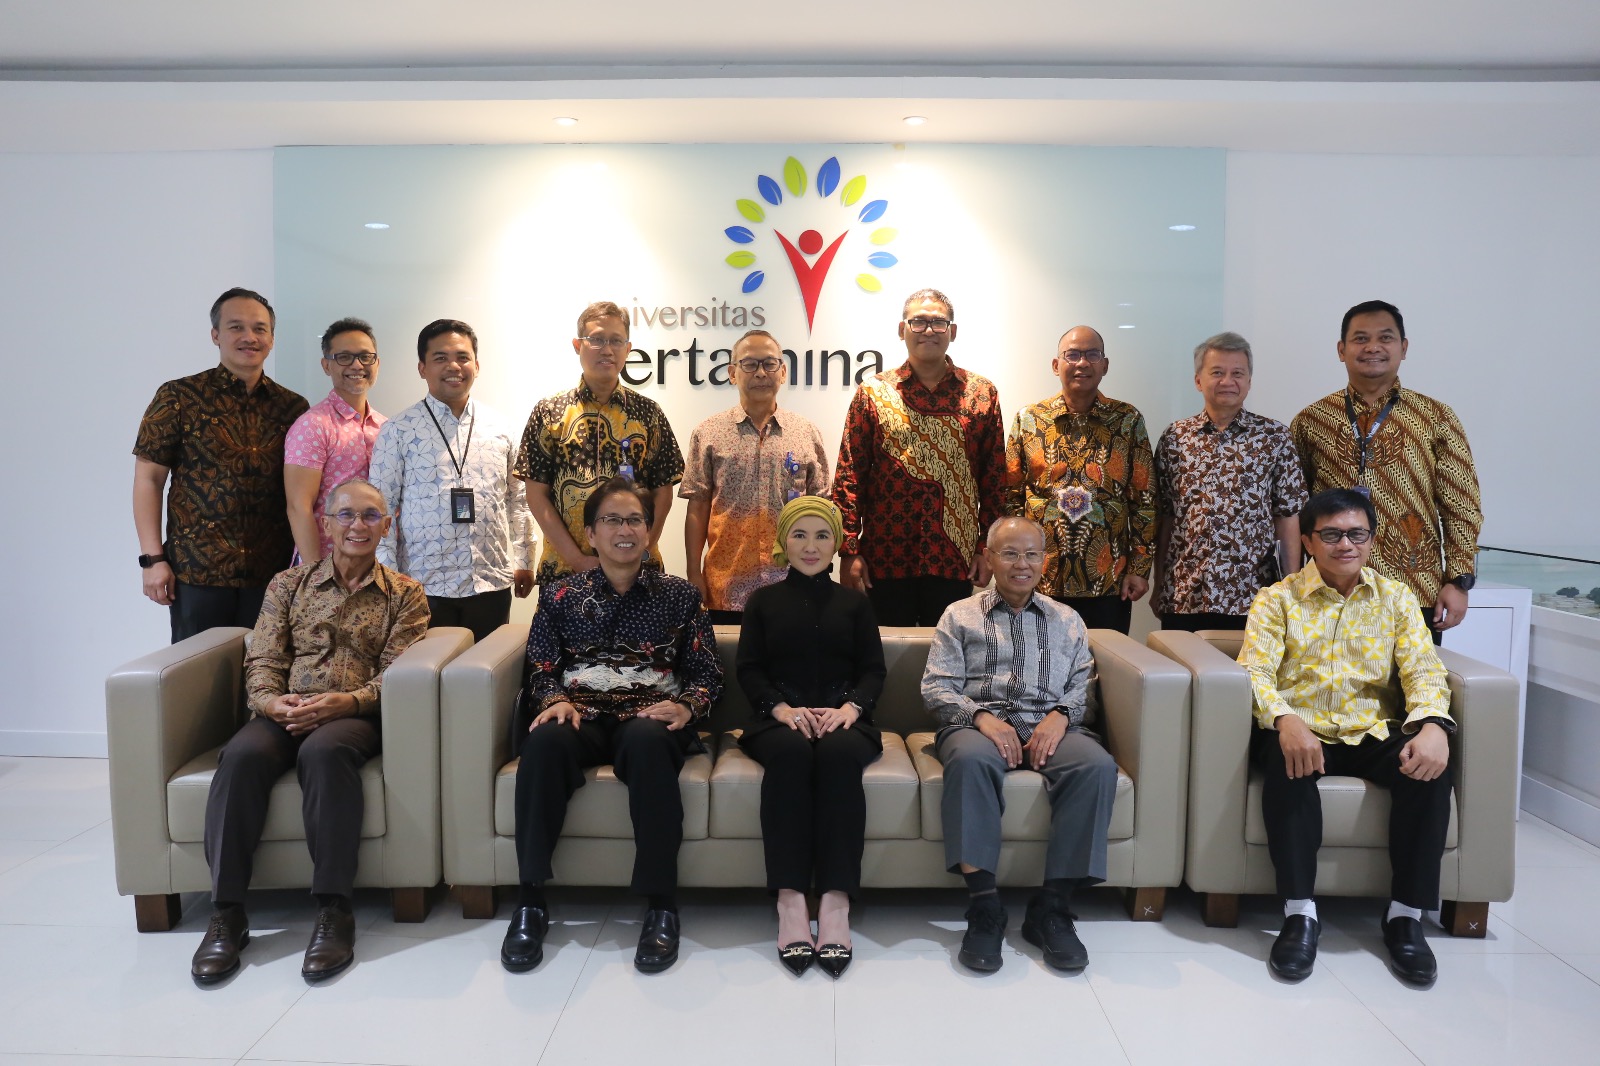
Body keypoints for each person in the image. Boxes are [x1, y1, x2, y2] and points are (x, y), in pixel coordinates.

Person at [189, 478, 430, 986]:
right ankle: (227, 913)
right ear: (326, 524)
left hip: (352, 719)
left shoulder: (406, 595)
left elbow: (397, 672)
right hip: (286, 711)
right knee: (241, 756)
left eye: (370, 516)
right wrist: (272, 703)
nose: (357, 526)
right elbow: (264, 657)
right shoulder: (286, 585)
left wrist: (350, 701)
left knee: (324, 753)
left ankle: (333, 910)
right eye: (346, 515)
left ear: (387, 527)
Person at [502, 478, 722, 976]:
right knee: (544, 743)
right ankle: (530, 901)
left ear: (649, 530)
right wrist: (554, 699)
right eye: (612, 520)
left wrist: (688, 707)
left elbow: (708, 671)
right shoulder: (559, 595)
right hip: (578, 712)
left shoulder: (681, 597)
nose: (625, 530)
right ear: (591, 533)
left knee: (649, 741)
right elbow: (540, 667)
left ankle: (661, 904)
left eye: (635, 520)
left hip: (649, 714)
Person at [1239, 488, 1455, 988]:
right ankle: (1300, 914)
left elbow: (1424, 671)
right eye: (1331, 534)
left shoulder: (1397, 598)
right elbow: (1255, 673)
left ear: (1372, 540)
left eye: (1357, 534)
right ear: (1309, 541)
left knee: (1428, 768)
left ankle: (1405, 917)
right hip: (1303, 728)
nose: (1346, 544)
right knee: (1286, 765)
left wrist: (1432, 725)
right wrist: (1284, 720)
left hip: (1371, 727)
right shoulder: (1277, 599)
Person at [922, 516, 1118, 975]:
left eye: (1031, 554)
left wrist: (1061, 716)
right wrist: (982, 718)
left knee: (1096, 765)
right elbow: (936, 688)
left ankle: (1052, 908)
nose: (1021, 564)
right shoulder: (959, 615)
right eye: (1009, 553)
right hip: (978, 725)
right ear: (988, 558)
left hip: (1051, 724)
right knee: (969, 761)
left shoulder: (1067, 618)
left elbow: (1081, 684)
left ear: (1044, 559)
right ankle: (985, 907)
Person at [735, 496, 884, 977]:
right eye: (800, 534)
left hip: (845, 718)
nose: (811, 546)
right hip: (777, 720)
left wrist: (850, 708)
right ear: (784, 541)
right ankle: (791, 901)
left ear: (837, 542)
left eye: (822, 535)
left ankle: (836, 905)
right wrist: (781, 709)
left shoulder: (855, 604)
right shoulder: (762, 601)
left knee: (839, 758)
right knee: (792, 757)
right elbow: (750, 670)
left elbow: (873, 671)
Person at [1291, 300, 1483, 642]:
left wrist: (1459, 580)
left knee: (1410, 690)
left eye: (1385, 338)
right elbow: (1293, 510)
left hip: (1413, 588)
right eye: (1360, 338)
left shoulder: (1436, 418)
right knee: (1327, 689)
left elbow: (1462, 506)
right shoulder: (1311, 421)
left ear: (1403, 348)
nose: (1373, 347)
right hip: (1328, 588)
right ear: (1342, 349)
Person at [133, 287, 308, 642]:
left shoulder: (293, 408)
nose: (249, 337)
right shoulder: (178, 396)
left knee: (264, 680)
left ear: (272, 338)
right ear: (215, 335)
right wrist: (152, 560)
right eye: (235, 327)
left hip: (271, 574)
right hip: (197, 573)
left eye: (260, 328)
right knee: (196, 683)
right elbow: (148, 480)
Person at [833, 288, 1005, 626]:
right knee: (887, 658)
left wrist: (987, 548)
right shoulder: (873, 393)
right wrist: (849, 549)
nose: (928, 330)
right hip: (885, 556)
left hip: (954, 557)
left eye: (938, 323)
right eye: (919, 322)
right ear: (902, 330)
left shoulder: (981, 393)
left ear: (952, 332)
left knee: (949, 662)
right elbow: (850, 475)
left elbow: (995, 480)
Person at [369, 318, 534, 642]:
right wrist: (386, 580)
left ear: (476, 364)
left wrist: (525, 559)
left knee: (487, 681)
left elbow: (519, 499)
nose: (453, 366)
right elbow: (379, 510)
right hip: (421, 584)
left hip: (490, 580)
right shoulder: (399, 430)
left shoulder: (502, 428)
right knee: (426, 682)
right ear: (422, 368)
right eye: (440, 358)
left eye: (462, 357)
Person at [517, 300, 684, 587]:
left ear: (628, 349)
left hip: (637, 571)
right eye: (596, 339)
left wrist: (641, 549)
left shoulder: (649, 413)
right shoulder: (549, 412)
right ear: (577, 345)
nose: (607, 349)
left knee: (641, 634)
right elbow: (536, 495)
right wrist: (577, 559)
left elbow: (663, 493)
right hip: (566, 571)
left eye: (616, 341)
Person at [1153, 331, 1307, 631]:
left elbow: (1288, 518)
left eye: (1238, 373)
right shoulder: (1175, 438)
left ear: (1249, 382)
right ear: (1199, 381)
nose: (1228, 381)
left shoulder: (1274, 437)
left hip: (1253, 596)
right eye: (1217, 373)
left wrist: (1293, 589)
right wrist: (1159, 582)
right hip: (1184, 595)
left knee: (1251, 679)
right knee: (1183, 678)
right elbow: (1166, 518)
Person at [1005, 325, 1154, 634]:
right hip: (1038, 579)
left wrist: (1139, 570)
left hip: (1108, 581)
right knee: (1038, 672)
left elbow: (1145, 503)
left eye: (1092, 355)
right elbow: (1010, 497)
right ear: (1056, 365)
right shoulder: (1029, 420)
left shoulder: (1127, 421)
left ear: (1105, 365)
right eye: (1072, 355)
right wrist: (1012, 565)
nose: (1082, 363)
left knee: (1103, 674)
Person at [682, 329, 830, 624]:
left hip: (794, 583)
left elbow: (822, 507)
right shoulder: (708, 433)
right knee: (728, 668)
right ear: (732, 373)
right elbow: (697, 508)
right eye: (749, 364)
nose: (761, 372)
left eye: (769, 363)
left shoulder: (807, 433)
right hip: (726, 587)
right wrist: (693, 573)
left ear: (783, 371)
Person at [284, 318, 386, 563]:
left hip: (377, 565)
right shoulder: (313, 425)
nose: (356, 365)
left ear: (377, 363)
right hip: (329, 564)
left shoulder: (386, 427)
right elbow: (299, 507)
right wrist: (314, 574)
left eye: (365, 357)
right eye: (344, 357)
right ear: (326, 365)